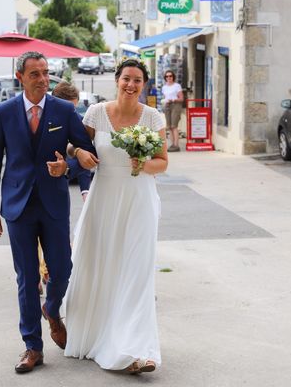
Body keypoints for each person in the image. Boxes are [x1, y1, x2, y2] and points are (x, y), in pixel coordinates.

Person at [0, 51, 98, 374]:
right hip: (17, 206)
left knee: (62, 270)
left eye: (46, 73)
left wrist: (68, 166)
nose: (43, 79)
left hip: (54, 204)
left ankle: (52, 308)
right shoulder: (3, 112)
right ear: (20, 77)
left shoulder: (63, 109)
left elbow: (87, 152)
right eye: (35, 74)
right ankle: (32, 346)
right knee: (27, 278)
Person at [64, 58, 168, 374]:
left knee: (136, 271)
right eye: (126, 78)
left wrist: (143, 165)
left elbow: (162, 161)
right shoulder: (96, 114)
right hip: (104, 197)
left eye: (137, 80)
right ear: (117, 80)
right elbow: (72, 145)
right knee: (102, 265)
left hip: (139, 199)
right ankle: (100, 335)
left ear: (144, 84)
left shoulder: (153, 117)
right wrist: (78, 153)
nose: (131, 84)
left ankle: (137, 349)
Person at [35, 82, 93, 295]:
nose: (71, 113)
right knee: (33, 239)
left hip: (57, 187)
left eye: (74, 108)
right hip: (31, 186)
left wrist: (85, 190)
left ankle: (47, 274)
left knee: (55, 239)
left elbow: (85, 155)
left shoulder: (73, 118)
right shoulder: (37, 115)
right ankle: (36, 276)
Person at [161, 69, 184, 152]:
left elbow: (181, 98)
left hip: (175, 105)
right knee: (169, 126)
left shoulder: (177, 86)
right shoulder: (164, 87)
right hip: (167, 106)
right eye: (167, 76)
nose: (169, 77)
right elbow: (165, 97)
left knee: (174, 126)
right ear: (165, 78)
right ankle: (172, 145)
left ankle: (176, 145)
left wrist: (173, 100)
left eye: (170, 76)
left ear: (173, 77)